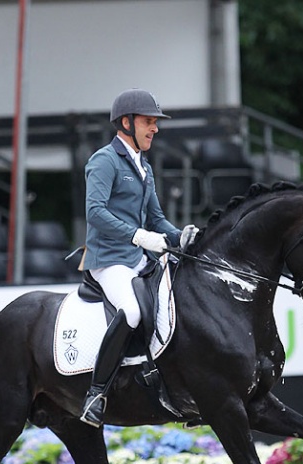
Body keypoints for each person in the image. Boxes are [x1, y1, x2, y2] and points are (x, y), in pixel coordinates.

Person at [79, 88, 198, 427]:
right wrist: (137, 235)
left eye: (155, 123)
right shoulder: (104, 160)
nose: (155, 129)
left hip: (138, 257)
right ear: (127, 123)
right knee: (130, 311)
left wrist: (183, 236)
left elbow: (156, 218)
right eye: (149, 122)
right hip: (109, 260)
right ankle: (96, 395)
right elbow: (95, 212)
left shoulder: (143, 165)